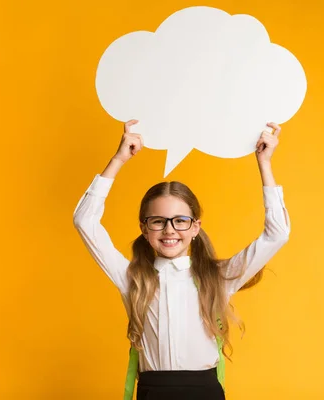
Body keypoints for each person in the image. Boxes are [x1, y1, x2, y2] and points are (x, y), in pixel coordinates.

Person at [73, 119, 290, 400]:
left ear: (195, 227)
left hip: (205, 392)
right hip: (153, 392)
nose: (169, 230)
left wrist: (265, 163)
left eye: (180, 220)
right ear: (143, 227)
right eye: (158, 221)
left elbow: (278, 234)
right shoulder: (132, 278)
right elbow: (84, 220)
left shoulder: (220, 276)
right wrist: (118, 160)